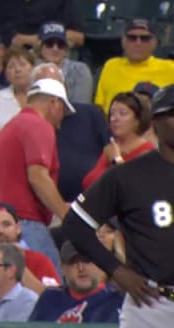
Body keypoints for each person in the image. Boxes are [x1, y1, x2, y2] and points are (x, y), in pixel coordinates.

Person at [64, 84, 174, 327]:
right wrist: (116, 269)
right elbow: (75, 224)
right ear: (155, 121)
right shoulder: (128, 175)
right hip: (152, 304)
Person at [0, 78, 71, 270]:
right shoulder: (38, 125)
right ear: (54, 104)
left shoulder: (12, 126)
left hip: (2, 222)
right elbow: (38, 176)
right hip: (25, 223)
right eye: (63, 111)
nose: (62, 118)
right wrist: (65, 214)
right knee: (51, 290)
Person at [28, 241, 122, 323]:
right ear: (63, 268)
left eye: (87, 261)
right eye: (73, 262)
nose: (81, 268)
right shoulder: (49, 299)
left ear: (99, 264)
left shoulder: (116, 300)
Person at [94, 20, 174, 111]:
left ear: (155, 43)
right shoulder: (111, 65)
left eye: (144, 38)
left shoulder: (170, 68)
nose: (138, 43)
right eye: (132, 38)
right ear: (123, 42)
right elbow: (99, 105)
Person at [82, 91, 155, 190]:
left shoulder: (147, 153)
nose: (114, 119)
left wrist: (116, 160)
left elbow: (134, 191)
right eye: (112, 114)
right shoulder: (109, 148)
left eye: (122, 113)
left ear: (138, 120)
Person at [0, 47, 37, 143]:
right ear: (6, 74)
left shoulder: (43, 95)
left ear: (33, 68)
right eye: (11, 66)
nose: (17, 70)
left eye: (22, 64)